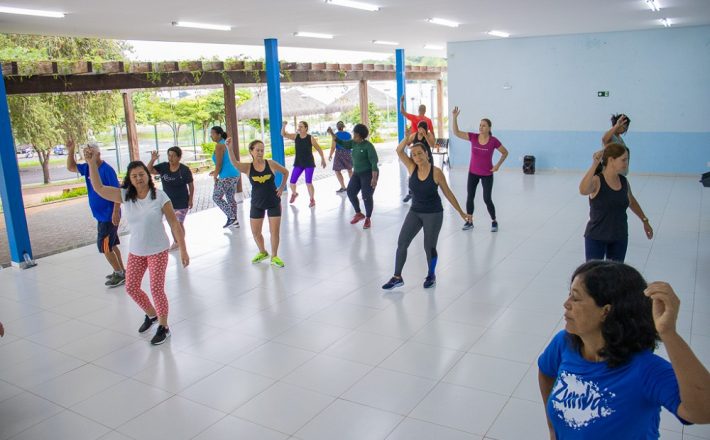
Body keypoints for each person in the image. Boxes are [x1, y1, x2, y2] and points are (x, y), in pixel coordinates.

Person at [538, 261, 710, 439]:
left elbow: (703, 412)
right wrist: (553, 429)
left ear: (605, 311)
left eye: (576, 298)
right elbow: (545, 372)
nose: (566, 304)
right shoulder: (565, 343)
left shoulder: (645, 370)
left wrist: (668, 333)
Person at [85, 150, 189, 346]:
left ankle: (164, 327)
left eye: (142, 174)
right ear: (129, 179)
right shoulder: (125, 195)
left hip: (158, 249)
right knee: (131, 287)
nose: (139, 178)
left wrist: (183, 249)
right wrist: (91, 163)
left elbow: (174, 223)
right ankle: (151, 315)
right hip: (136, 251)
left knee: (156, 289)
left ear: (147, 176)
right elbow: (98, 188)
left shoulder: (159, 196)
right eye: (134, 176)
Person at [382, 134, 471, 290]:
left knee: (429, 246)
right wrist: (408, 139)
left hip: (434, 213)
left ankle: (431, 275)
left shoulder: (436, 172)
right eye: (414, 155)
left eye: (420, 153)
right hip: (415, 211)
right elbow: (399, 150)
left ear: (426, 153)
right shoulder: (412, 168)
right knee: (402, 242)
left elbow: (448, 193)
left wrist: (461, 212)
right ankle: (397, 277)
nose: (416, 157)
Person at [67, 140, 126, 287]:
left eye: (90, 153)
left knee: (105, 247)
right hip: (101, 216)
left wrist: (115, 212)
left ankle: (119, 273)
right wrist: (71, 150)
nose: (87, 156)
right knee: (112, 245)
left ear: (98, 153)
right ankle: (121, 270)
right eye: (85, 153)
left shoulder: (107, 170)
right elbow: (71, 167)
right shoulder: (88, 168)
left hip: (108, 216)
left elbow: (118, 192)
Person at [579, 145, 653, 262]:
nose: (626, 163)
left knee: (616, 276)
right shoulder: (597, 181)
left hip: (619, 236)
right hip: (597, 236)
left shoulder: (623, 181)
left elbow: (631, 201)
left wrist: (645, 220)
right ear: (611, 160)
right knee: (593, 275)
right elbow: (583, 190)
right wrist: (594, 164)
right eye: (623, 160)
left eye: (627, 160)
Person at [225, 137, 289, 268]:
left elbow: (285, 172)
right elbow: (235, 163)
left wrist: (282, 187)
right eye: (258, 150)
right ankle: (262, 252)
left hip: (273, 202)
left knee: (274, 232)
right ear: (251, 151)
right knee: (256, 233)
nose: (260, 152)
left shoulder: (270, 164)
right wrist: (229, 148)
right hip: (257, 203)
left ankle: (274, 256)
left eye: (262, 150)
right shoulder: (248, 167)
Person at [451, 107, 509, 232]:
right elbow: (456, 132)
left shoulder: (493, 141)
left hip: (487, 174)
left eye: (483, 125)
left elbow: (505, 153)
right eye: (480, 125)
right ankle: (469, 221)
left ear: (489, 128)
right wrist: (455, 118)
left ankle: (494, 220)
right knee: (470, 197)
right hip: (473, 173)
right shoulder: (473, 137)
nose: (481, 127)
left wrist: (498, 165)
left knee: (487, 199)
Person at [327, 124, 379, 229]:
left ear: (360, 135)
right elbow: (342, 143)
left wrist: (374, 178)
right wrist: (332, 133)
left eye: (355, 133)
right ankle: (359, 213)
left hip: (368, 173)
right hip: (357, 173)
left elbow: (374, 163)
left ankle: (368, 218)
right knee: (350, 192)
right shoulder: (353, 143)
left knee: (366, 196)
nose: (353, 135)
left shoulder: (368, 146)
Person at [147, 146, 194, 251]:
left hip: (181, 201)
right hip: (167, 202)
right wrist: (153, 159)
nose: (170, 158)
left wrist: (190, 199)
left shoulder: (184, 170)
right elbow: (149, 170)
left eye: (173, 156)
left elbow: (191, 185)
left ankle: (179, 242)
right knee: (172, 223)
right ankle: (177, 241)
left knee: (178, 223)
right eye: (169, 155)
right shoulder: (164, 167)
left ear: (179, 157)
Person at [281, 121, 327, 207]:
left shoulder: (310, 138)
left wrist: (323, 159)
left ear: (306, 128)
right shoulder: (296, 136)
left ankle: (312, 200)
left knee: (308, 183)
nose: (299, 128)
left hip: (309, 163)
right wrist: (284, 126)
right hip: (298, 163)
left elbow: (319, 149)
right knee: (292, 182)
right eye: (299, 126)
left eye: (301, 126)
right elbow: (283, 134)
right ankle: (294, 194)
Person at [400, 95, 434, 203]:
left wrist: (402, 102)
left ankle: (420, 192)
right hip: (416, 147)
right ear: (425, 110)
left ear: (419, 110)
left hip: (421, 150)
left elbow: (402, 112)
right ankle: (414, 193)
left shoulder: (416, 118)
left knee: (421, 173)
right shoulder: (426, 120)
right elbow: (432, 133)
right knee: (417, 173)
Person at [208, 126, 240, 228]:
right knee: (230, 198)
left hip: (227, 176)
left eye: (212, 133)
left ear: (219, 134)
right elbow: (225, 162)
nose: (211, 135)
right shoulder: (224, 143)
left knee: (216, 197)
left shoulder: (219, 146)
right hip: (234, 174)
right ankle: (234, 220)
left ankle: (232, 218)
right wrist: (215, 172)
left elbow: (219, 164)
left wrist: (215, 176)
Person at [329, 121, 353, 193]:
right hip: (348, 153)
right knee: (350, 170)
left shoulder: (335, 135)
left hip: (339, 153)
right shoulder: (349, 134)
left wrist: (330, 154)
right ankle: (352, 186)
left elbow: (333, 147)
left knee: (337, 170)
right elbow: (351, 144)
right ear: (343, 127)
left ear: (337, 127)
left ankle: (343, 187)